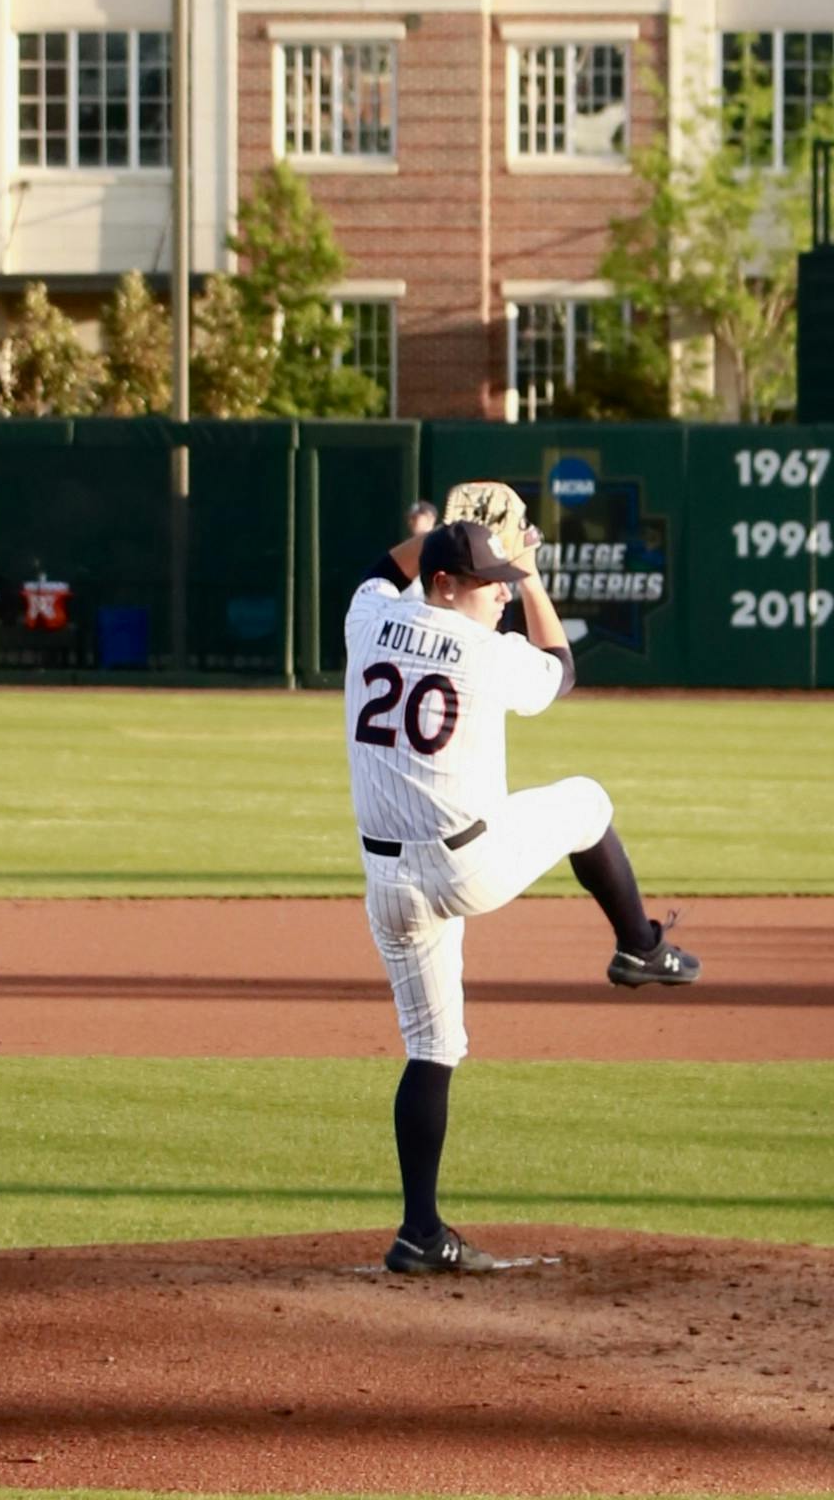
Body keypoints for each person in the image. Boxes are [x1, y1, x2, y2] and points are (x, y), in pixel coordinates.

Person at [345, 511, 700, 1276]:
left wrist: (438, 527)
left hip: (387, 884)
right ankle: (639, 945)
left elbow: (383, 562)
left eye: (506, 585)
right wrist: (536, 575)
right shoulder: (483, 654)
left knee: (431, 1050)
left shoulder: (367, 617)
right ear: (445, 584)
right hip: (468, 864)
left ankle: (419, 1230)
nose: (502, 595)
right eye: (490, 583)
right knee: (587, 801)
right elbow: (561, 669)